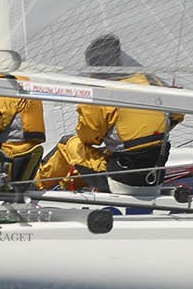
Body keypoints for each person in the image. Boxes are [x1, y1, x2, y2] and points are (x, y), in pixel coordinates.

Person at [34, 34, 183, 191]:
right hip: (155, 176)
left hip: (121, 181)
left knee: (68, 144)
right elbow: (177, 114)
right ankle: (69, 186)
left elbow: (88, 138)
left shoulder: (100, 93)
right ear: (119, 59)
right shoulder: (150, 81)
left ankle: (33, 187)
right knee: (106, 153)